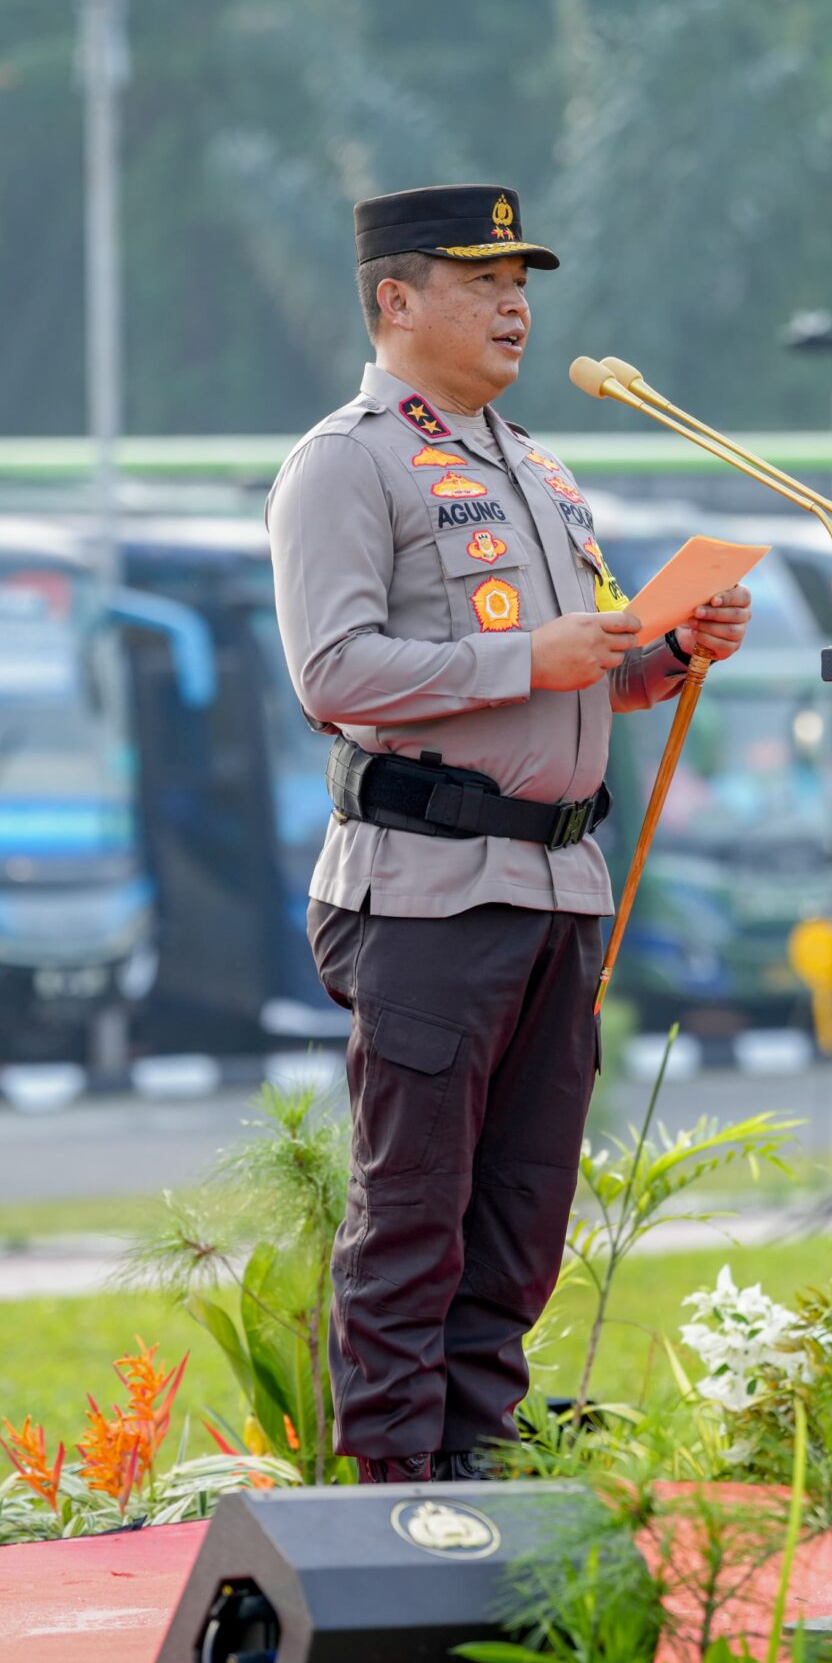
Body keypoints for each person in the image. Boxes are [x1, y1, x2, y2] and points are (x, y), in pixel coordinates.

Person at [267, 184, 753, 1482]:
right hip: (429, 892)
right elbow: (334, 672)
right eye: (482, 280)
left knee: (522, 1219)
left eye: (521, 279)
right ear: (395, 299)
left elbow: (568, 670)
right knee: (415, 1216)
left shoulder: (537, 466)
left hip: (559, 885)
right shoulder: (345, 461)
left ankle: (479, 1484)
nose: (516, 303)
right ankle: (391, 1514)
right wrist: (522, 655)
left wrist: (656, 658)